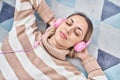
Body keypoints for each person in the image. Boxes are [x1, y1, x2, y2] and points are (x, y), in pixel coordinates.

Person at [0, 0, 108, 80]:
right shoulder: (25, 28)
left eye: (77, 32)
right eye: (68, 23)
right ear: (60, 23)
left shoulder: (68, 74)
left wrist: (87, 59)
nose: (69, 29)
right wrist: (50, 19)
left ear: (79, 45)